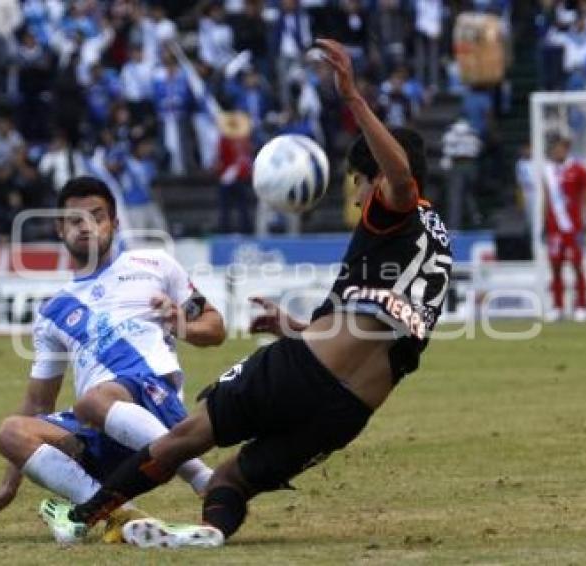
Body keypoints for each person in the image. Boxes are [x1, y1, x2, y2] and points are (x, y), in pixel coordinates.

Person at [38, 38, 452, 548]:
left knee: (180, 441)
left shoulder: (397, 207)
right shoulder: (436, 245)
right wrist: (296, 326)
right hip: (348, 412)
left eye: (359, 183)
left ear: (374, 177)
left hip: (303, 370)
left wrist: (353, 98)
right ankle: (209, 533)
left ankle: (81, 519)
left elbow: (400, 178)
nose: (360, 194)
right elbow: (374, 324)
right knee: (230, 480)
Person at [0, 177, 225, 543]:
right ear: (59, 228)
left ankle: (203, 478)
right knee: (11, 431)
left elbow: (215, 328)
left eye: (96, 216)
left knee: (93, 401)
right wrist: (10, 482)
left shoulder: (155, 264)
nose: (84, 225)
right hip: (100, 427)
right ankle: (118, 513)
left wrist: (183, 325)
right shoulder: (54, 311)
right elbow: (39, 402)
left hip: (155, 406)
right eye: (73, 219)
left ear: (114, 224)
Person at [543, 135, 586, 323]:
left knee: (577, 266)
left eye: (559, 148)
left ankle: (581, 306)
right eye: (554, 148)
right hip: (555, 228)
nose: (556, 151)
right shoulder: (548, 171)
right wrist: (544, 224)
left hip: (573, 227)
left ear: (566, 149)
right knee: (555, 267)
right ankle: (558, 307)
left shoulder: (578, 169)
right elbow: (547, 199)